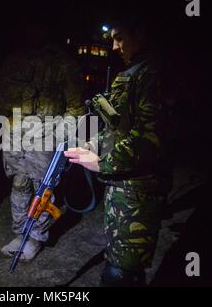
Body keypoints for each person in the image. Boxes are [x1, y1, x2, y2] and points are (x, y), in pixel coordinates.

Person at [65, 17, 174, 286]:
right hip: (125, 187)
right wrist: (94, 145)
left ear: (142, 33)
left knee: (122, 273)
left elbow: (149, 138)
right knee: (118, 261)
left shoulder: (153, 75)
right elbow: (120, 128)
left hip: (137, 190)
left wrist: (102, 163)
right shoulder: (137, 72)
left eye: (120, 37)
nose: (114, 46)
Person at [0, 23, 85, 261]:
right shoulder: (14, 60)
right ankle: (19, 234)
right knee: (19, 184)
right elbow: (2, 100)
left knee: (43, 190)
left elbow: (76, 108)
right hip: (15, 133)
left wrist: (59, 136)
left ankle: (35, 237)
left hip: (45, 134)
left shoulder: (62, 64)